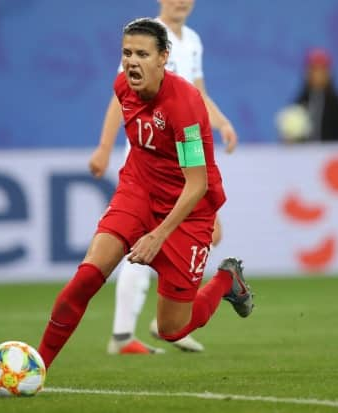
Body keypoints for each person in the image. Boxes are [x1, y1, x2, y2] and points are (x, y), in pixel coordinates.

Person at [37, 18, 253, 370]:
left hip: (188, 208)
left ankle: (227, 280)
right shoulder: (123, 85)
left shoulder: (184, 105)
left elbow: (196, 183)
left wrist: (159, 234)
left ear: (163, 57)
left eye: (141, 53)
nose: (131, 61)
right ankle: (38, 366)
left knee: (172, 328)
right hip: (137, 192)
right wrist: (105, 148)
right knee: (87, 277)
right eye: (126, 53)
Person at [89, 0, 239, 355]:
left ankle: (168, 320)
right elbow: (120, 95)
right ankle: (125, 335)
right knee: (143, 244)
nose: (182, 2)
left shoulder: (193, 41)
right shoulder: (146, 38)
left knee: (201, 238)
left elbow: (198, 94)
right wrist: (104, 147)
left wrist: (222, 122)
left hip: (183, 158)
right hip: (149, 162)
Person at [294, 48, 338, 142]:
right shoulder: (300, 101)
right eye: (314, 69)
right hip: (304, 155)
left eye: (322, 69)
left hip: (332, 154)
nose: (318, 74)